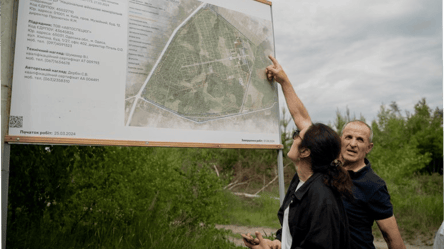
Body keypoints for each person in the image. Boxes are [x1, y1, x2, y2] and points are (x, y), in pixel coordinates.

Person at [265, 55, 406, 249]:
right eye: (348, 137)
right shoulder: (324, 167)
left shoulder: (373, 185)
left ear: (369, 147)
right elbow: (303, 121)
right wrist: (284, 81)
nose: (353, 144)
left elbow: (392, 237)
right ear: (340, 140)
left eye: (360, 140)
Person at [244, 122, 353, 248]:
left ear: (305, 151)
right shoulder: (300, 180)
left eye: (296, 135)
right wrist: (277, 243)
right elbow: (296, 230)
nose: (293, 139)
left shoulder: (322, 196)